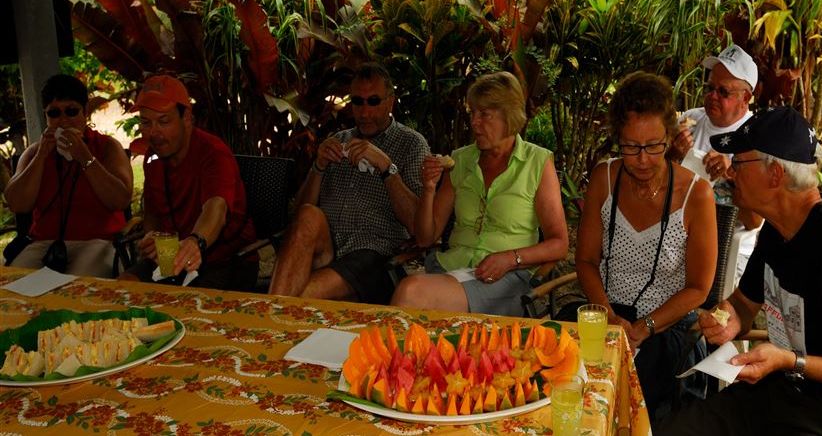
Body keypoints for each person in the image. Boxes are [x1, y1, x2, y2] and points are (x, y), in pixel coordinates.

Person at [661, 107, 822, 435]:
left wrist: (791, 360)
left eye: (739, 163)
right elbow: (743, 306)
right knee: (675, 429)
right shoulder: (778, 229)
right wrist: (726, 319)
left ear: (776, 174)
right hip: (790, 393)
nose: (731, 173)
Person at [569, 71, 717, 421]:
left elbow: (699, 288)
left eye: (654, 145)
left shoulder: (697, 195)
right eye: (631, 147)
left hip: (665, 325)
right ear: (617, 138)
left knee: (633, 391)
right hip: (605, 313)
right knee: (564, 377)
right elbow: (586, 260)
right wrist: (606, 318)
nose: (643, 158)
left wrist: (643, 328)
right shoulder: (604, 179)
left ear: (670, 136)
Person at [390, 71, 569, 315]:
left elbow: (559, 244)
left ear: (510, 115)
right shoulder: (461, 160)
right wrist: (429, 188)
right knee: (414, 296)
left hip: (504, 279)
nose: (474, 122)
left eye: (484, 114)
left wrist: (510, 258)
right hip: (450, 271)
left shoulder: (536, 162)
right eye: (472, 113)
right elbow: (425, 238)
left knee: (411, 292)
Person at [268, 63, 428, 302]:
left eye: (373, 101)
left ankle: (270, 310)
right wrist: (318, 166)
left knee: (296, 295)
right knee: (309, 214)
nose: (364, 112)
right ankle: (275, 312)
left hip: (372, 254)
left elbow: (418, 226)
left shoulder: (411, 144)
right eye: (357, 101)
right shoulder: (338, 140)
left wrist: (387, 168)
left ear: (390, 102)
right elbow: (298, 214)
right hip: (326, 246)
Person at [118, 75, 257, 291]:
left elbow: (216, 209)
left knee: (182, 305)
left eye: (164, 121)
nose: (153, 132)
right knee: (125, 287)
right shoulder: (153, 157)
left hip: (224, 260)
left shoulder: (213, 153)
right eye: (146, 122)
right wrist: (150, 237)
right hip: (172, 256)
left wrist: (195, 242)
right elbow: (153, 215)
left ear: (187, 118)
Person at [4, 74, 132, 276]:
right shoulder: (35, 152)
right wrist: (40, 157)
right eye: (54, 113)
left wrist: (86, 158)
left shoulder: (107, 147)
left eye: (71, 111)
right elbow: (17, 204)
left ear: (85, 112)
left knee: (78, 284)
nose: (63, 120)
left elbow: (120, 200)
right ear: (46, 116)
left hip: (98, 241)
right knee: (13, 287)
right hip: (45, 243)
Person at [674, 44, 764, 278]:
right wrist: (673, 155)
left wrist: (733, 177)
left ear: (745, 98)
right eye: (710, 88)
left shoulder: (757, 140)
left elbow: (754, 222)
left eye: (723, 92)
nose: (712, 96)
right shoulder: (689, 121)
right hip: (679, 238)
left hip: (729, 247)